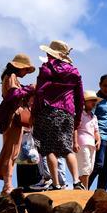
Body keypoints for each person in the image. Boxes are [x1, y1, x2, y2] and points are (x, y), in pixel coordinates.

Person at [32, 41, 85, 190]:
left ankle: (55, 184)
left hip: (48, 111)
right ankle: (76, 181)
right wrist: (78, 117)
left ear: (51, 54)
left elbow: (39, 93)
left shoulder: (46, 70)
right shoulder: (74, 72)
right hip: (67, 112)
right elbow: (80, 97)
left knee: (49, 149)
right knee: (67, 147)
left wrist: (34, 113)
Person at [0, 54, 36, 195]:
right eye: (25, 70)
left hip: (13, 118)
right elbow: (13, 95)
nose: (26, 73)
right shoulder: (11, 77)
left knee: (12, 153)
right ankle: (7, 186)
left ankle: (8, 185)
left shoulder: (11, 78)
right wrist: (30, 89)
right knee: (10, 152)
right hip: (12, 118)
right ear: (19, 67)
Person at [90, 74, 107, 190]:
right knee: (97, 166)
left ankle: (101, 193)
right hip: (99, 136)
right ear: (100, 85)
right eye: (105, 85)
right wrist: (95, 136)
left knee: (106, 169)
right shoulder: (96, 99)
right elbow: (90, 116)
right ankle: (84, 189)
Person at [75, 91, 102, 189]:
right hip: (82, 143)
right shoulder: (79, 114)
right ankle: (85, 191)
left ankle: (79, 188)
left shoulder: (94, 117)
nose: (94, 103)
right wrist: (75, 142)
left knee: (89, 169)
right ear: (85, 102)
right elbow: (75, 129)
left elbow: (96, 131)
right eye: (91, 101)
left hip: (92, 144)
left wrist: (98, 140)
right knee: (85, 168)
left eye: (95, 101)